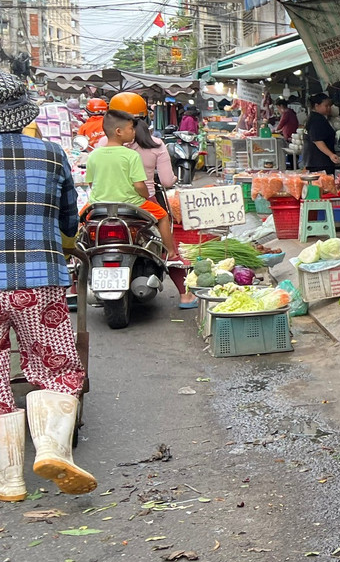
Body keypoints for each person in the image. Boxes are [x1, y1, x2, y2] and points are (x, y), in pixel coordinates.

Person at [0, 72, 93, 499]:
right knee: (56, 370)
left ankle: (10, 480)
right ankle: (53, 449)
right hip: (40, 280)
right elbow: (69, 222)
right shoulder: (52, 155)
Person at [86, 111, 178, 259]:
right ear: (119, 132)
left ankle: (77, 255)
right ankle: (170, 253)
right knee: (162, 216)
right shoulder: (131, 155)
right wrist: (146, 195)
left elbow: (91, 183)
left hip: (98, 204)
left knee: (79, 220)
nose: (134, 132)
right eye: (131, 128)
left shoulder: (93, 155)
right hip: (131, 205)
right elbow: (139, 185)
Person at [128, 109, 196, 308]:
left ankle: (73, 292)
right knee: (167, 245)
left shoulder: (105, 146)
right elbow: (166, 181)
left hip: (105, 204)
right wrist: (173, 179)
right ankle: (184, 295)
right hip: (144, 201)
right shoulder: (156, 145)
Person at [302, 93, 340, 172]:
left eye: (329, 106)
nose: (329, 108)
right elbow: (317, 140)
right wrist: (331, 155)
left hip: (315, 161)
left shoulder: (315, 117)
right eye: (326, 106)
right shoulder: (317, 120)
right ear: (317, 106)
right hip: (320, 163)